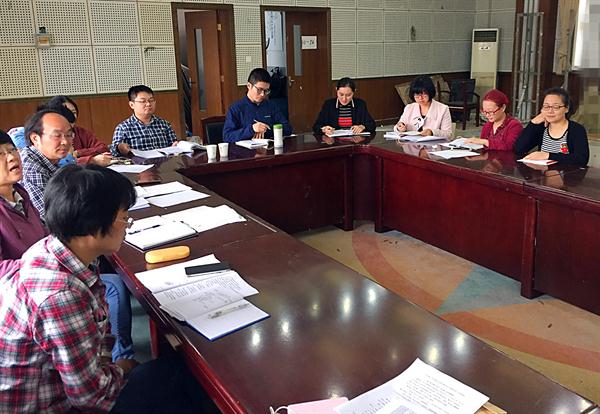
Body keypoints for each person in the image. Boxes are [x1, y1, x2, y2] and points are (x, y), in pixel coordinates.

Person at [0, 164, 214, 413]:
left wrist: (113, 367)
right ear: (93, 226)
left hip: (66, 385)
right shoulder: (60, 296)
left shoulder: (52, 249)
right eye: (124, 218)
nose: (127, 225)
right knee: (183, 376)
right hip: (50, 406)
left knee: (165, 373)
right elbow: (91, 399)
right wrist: (122, 368)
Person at [0, 129, 135, 362]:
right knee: (112, 286)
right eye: (0, 155)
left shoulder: (20, 195)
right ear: (35, 139)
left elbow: (47, 235)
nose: (11, 157)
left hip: (49, 268)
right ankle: (120, 357)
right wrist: (37, 267)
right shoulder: (59, 293)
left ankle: (113, 357)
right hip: (31, 283)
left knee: (102, 282)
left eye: (12, 150)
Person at [20, 108, 74, 218]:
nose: (65, 142)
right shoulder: (31, 169)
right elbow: (48, 217)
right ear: (35, 138)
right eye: (57, 135)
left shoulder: (51, 161)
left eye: (68, 135)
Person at [514, 87, 589, 166]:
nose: (550, 111)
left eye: (556, 107)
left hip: (568, 173)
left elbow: (582, 159)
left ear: (566, 108)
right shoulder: (542, 127)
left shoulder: (576, 130)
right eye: (546, 106)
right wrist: (533, 122)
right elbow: (519, 149)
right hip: (543, 172)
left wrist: (548, 155)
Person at [223, 68, 292, 142]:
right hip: (245, 148)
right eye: (259, 90)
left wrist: (266, 129)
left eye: (266, 91)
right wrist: (252, 129)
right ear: (249, 86)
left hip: (269, 147)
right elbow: (227, 137)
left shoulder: (271, 106)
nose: (262, 94)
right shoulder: (236, 108)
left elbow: (288, 128)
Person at [44, 95, 113, 166]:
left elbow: (103, 148)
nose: (72, 117)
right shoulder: (50, 136)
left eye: (74, 112)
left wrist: (78, 153)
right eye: (66, 113)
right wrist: (91, 160)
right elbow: (61, 163)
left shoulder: (79, 131)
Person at [111, 85, 177, 156]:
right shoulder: (123, 128)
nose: (148, 104)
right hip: (138, 162)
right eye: (143, 101)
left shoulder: (164, 124)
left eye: (151, 100)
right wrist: (119, 148)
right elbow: (114, 152)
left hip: (163, 162)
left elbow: (173, 145)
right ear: (132, 105)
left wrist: (176, 147)